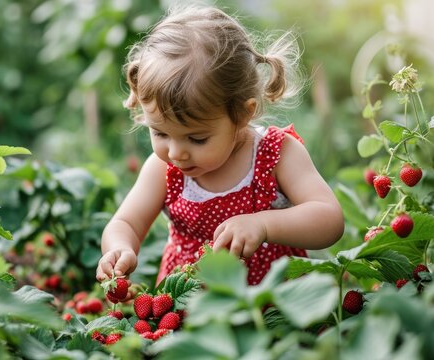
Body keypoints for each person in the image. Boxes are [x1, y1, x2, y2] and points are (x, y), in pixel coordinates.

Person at [96, 4, 344, 286]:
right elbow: (126, 223)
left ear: (242, 114)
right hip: (190, 308)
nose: (176, 152)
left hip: (276, 305)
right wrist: (120, 248)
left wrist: (263, 225)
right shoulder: (163, 170)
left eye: (197, 138)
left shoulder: (275, 155)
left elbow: (329, 219)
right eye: (161, 134)